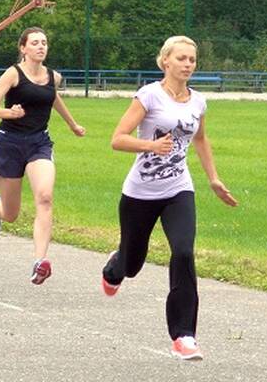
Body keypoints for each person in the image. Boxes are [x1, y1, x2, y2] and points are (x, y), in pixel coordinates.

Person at [101, 36, 237, 360]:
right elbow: (117, 140)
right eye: (181, 58)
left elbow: (201, 140)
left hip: (178, 189)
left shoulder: (198, 102)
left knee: (184, 252)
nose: (188, 64)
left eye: (192, 59)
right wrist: (150, 146)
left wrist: (214, 179)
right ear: (165, 61)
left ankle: (184, 335)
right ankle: (114, 267)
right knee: (132, 264)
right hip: (139, 193)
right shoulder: (149, 96)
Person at [0, 27, 85, 284]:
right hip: (9, 145)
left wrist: (72, 124)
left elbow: (52, 98)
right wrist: (10, 113)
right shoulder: (13, 74)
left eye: (44, 43)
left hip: (39, 143)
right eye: (35, 43)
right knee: (11, 214)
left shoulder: (54, 77)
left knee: (45, 196)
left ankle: (39, 261)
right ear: (23, 48)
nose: (41, 46)